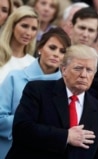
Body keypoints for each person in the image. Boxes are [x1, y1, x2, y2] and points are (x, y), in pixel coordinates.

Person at [6, 44, 98, 159]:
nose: (84, 75)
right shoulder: (37, 91)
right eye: (78, 68)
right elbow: (21, 129)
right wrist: (66, 136)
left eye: (89, 70)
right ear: (64, 69)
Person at [0, 27, 71, 159]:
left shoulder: (66, 89)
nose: (56, 54)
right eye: (52, 47)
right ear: (40, 48)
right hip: (9, 150)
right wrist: (27, 123)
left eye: (62, 51)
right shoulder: (15, 77)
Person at [0, 6, 39, 84]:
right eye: (24, 26)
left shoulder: (33, 64)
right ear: (13, 26)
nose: (28, 33)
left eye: (33, 29)